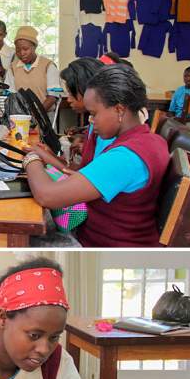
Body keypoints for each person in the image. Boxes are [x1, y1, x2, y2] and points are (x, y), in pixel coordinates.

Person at [24, 65, 170, 247]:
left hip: (106, 245)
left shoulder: (126, 157)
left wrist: (30, 158)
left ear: (119, 110)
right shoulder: (152, 141)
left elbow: (47, 196)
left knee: (22, 236)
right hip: (107, 236)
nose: (90, 121)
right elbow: (85, 177)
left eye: (94, 114)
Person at [4, 26, 60, 114]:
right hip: (20, 116)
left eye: (25, 49)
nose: (22, 53)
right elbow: (10, 95)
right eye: (18, 50)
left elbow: (53, 97)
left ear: (34, 47)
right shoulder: (13, 68)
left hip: (45, 115)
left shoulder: (48, 66)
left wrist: (36, 115)